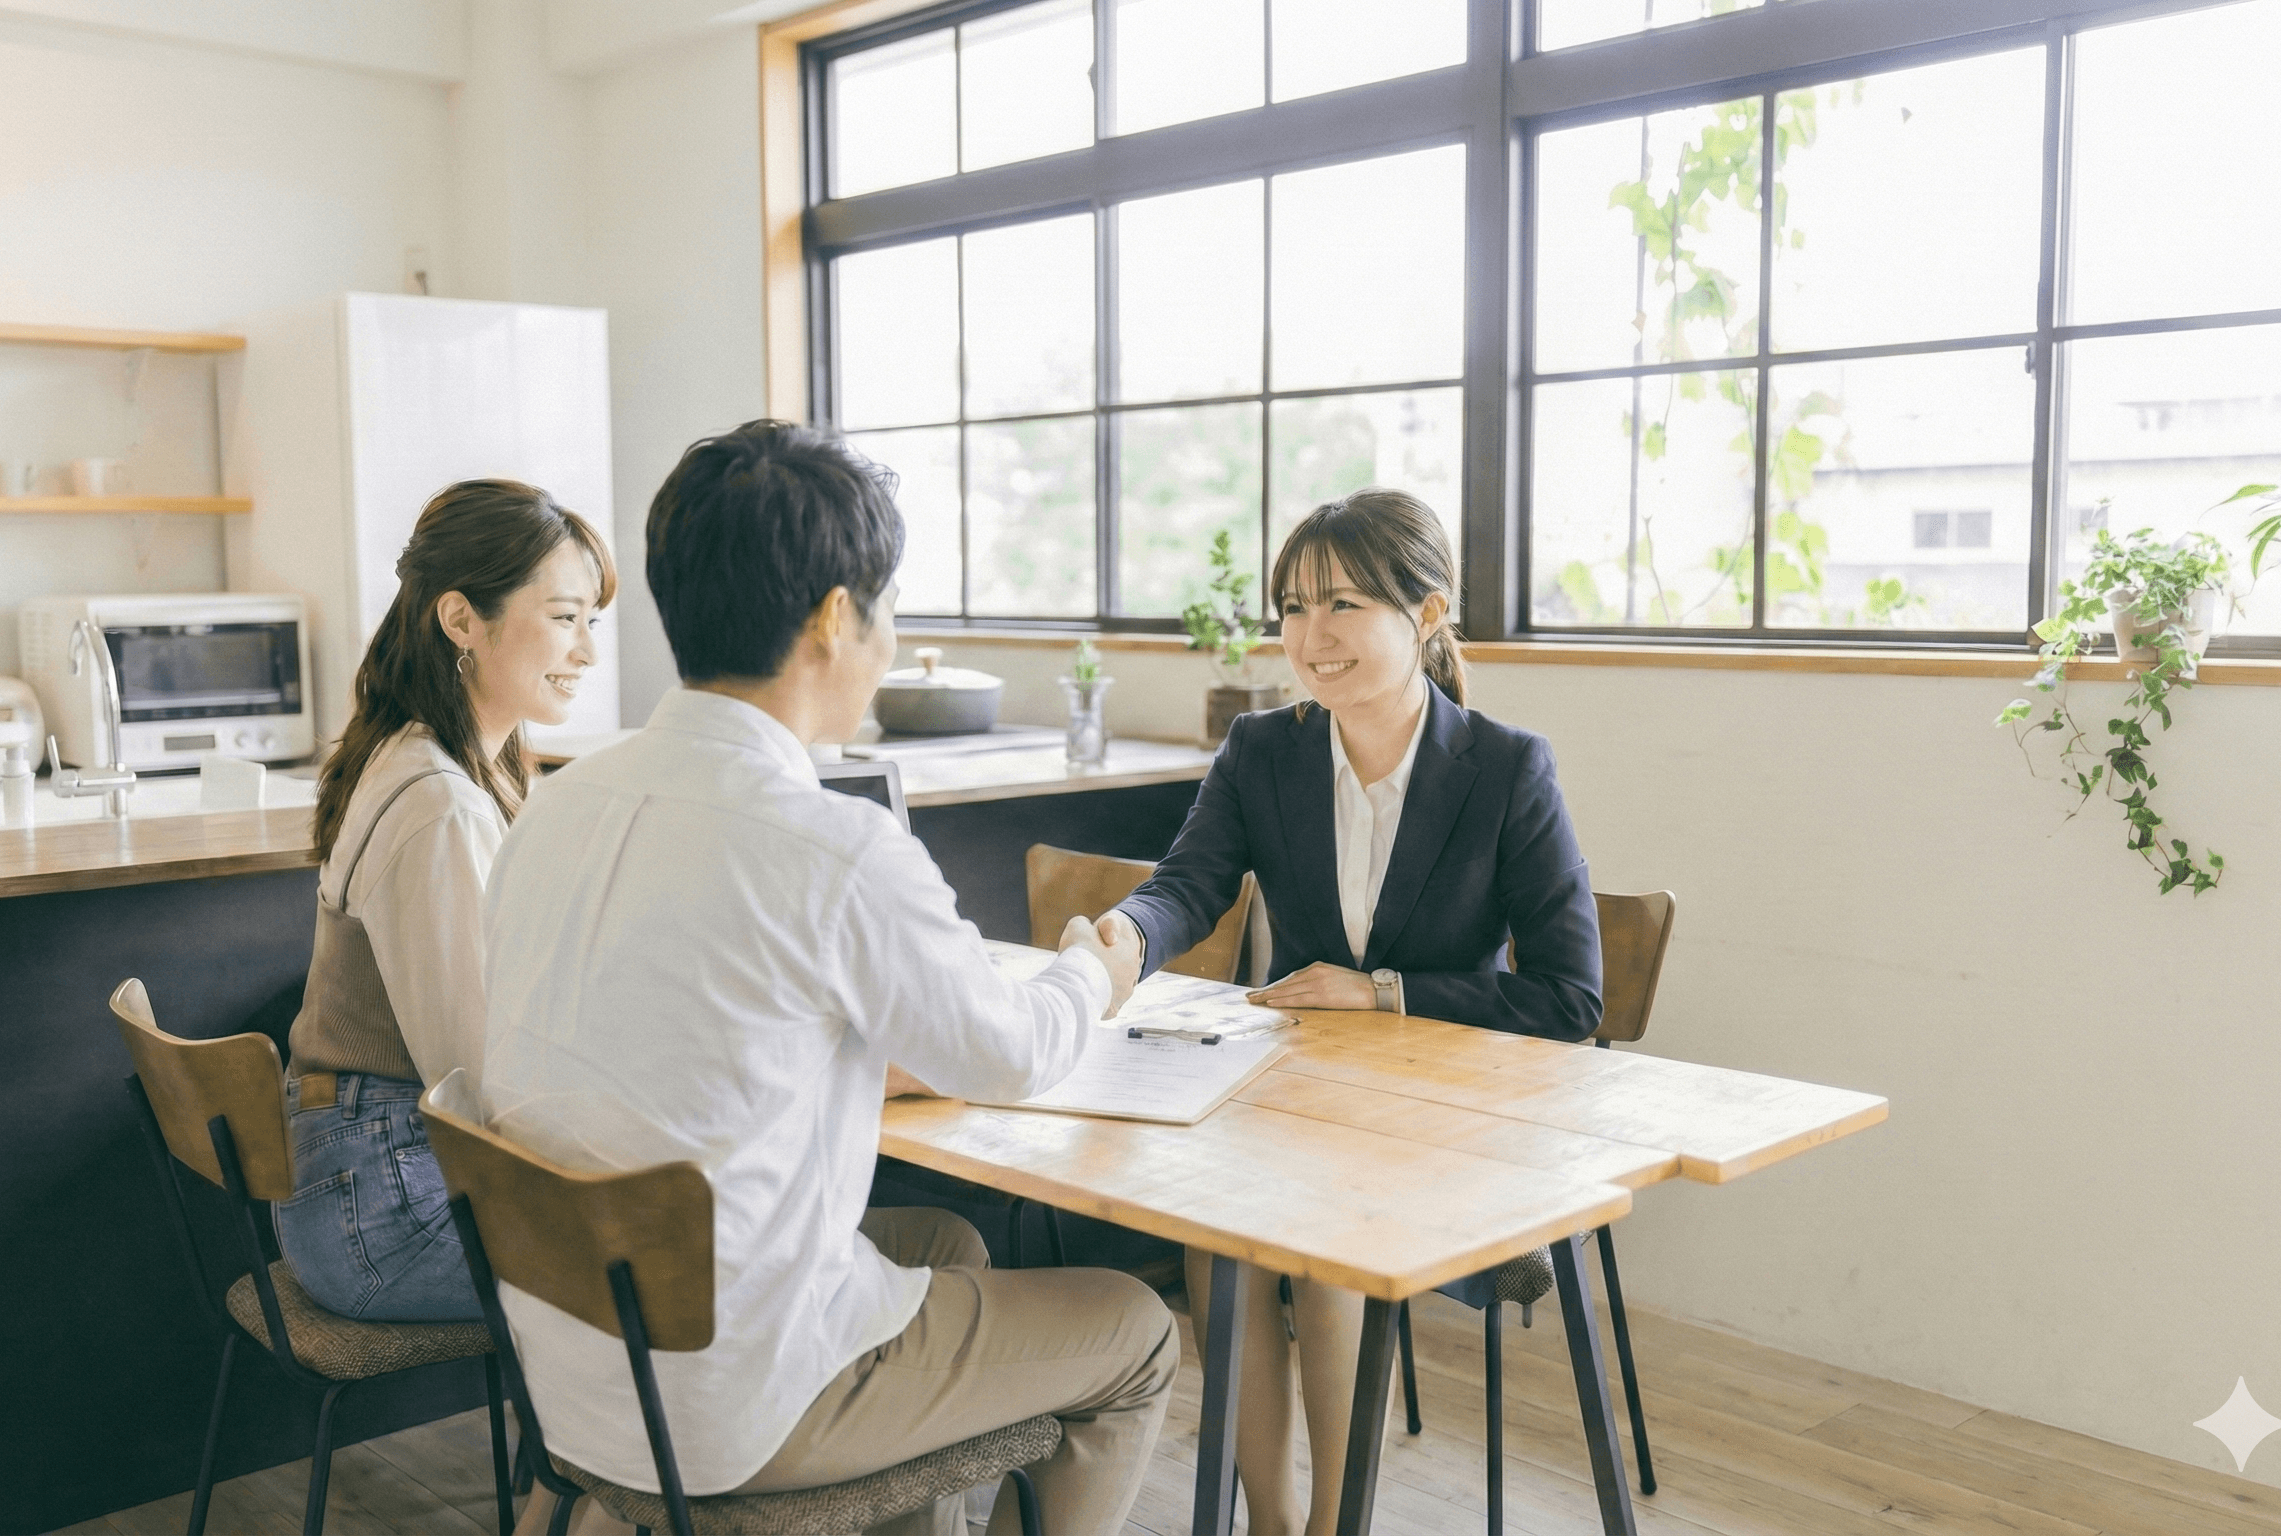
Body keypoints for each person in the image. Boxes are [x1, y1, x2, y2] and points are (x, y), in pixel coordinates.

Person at [479, 420, 1176, 1536]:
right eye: (889, 611)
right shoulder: (828, 847)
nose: (892, 645)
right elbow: (1013, 1054)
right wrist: (1089, 974)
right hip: (727, 1403)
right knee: (1136, 1329)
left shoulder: (548, 811)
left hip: (574, 1383)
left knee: (943, 1247)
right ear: (833, 616)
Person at [1101, 488, 1602, 1535]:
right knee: (1220, 1234)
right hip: (1305, 1097)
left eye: (1342, 605)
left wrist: (1380, 993)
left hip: (1451, 1115)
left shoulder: (1507, 769)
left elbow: (1568, 998)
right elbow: (1187, 883)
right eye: (1292, 607)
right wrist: (1125, 939)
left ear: (1425, 613)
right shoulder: (1262, 752)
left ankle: (1332, 1526)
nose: (1309, 637)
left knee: (1312, 1241)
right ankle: (1273, 1524)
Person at [275, 478, 615, 1323]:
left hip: (376, 1174)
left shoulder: (457, 762)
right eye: (566, 618)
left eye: (591, 622)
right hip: (388, 1211)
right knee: (700, 1261)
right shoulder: (440, 800)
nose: (587, 653)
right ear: (462, 620)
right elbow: (478, 1069)